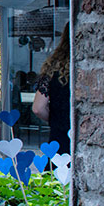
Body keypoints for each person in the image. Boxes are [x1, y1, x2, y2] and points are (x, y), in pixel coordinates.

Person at [33, 24, 71, 155]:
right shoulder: (86, 65)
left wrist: (56, 118)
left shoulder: (52, 69)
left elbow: (37, 108)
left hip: (59, 135)